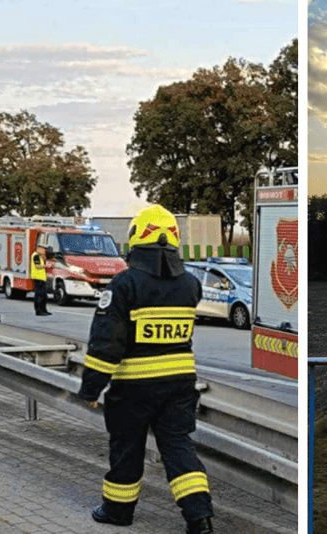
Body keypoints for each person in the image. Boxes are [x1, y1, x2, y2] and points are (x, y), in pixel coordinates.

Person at [77, 204, 213, 534]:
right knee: (178, 447)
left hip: (134, 387)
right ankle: (200, 518)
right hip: (180, 384)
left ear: (137, 238)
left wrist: (91, 388)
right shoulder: (190, 284)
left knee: (127, 448)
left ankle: (118, 511)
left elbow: (106, 344)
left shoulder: (124, 284)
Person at [32, 245, 50, 316]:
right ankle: (39, 310)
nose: (44, 251)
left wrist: (44, 259)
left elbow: (42, 264)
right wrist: (47, 266)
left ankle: (44, 310)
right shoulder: (36, 255)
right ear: (39, 249)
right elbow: (37, 265)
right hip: (38, 278)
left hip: (42, 278)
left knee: (44, 295)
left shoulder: (39, 256)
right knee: (39, 295)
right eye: (43, 250)